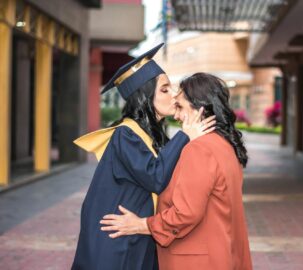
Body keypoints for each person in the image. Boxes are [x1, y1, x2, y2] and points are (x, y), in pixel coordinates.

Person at [71, 45, 216, 270]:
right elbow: (156, 177)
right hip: (115, 241)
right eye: (165, 89)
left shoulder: (154, 134)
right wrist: (186, 134)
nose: (175, 95)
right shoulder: (125, 135)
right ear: (145, 97)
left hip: (138, 234)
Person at [100, 73, 253, 270]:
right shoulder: (225, 145)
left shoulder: (199, 149)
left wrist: (142, 225)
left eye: (180, 107)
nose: (176, 115)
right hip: (221, 252)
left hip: (196, 261)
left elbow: (185, 213)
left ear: (200, 109)